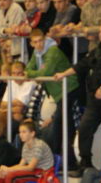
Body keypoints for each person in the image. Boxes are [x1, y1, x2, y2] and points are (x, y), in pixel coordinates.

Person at [54, 22, 101, 177]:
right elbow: (81, 65)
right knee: (84, 129)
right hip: (94, 98)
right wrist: (63, 74)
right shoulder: (97, 51)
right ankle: (85, 163)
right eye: (100, 31)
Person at [24, 29, 79, 168]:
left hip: (68, 88)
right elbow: (28, 69)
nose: (39, 44)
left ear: (44, 39)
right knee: (65, 126)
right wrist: (33, 72)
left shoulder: (52, 50)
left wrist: (32, 73)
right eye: (35, 42)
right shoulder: (37, 53)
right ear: (31, 43)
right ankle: (68, 162)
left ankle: (60, 161)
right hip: (59, 92)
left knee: (60, 125)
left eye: (41, 41)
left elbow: (45, 72)